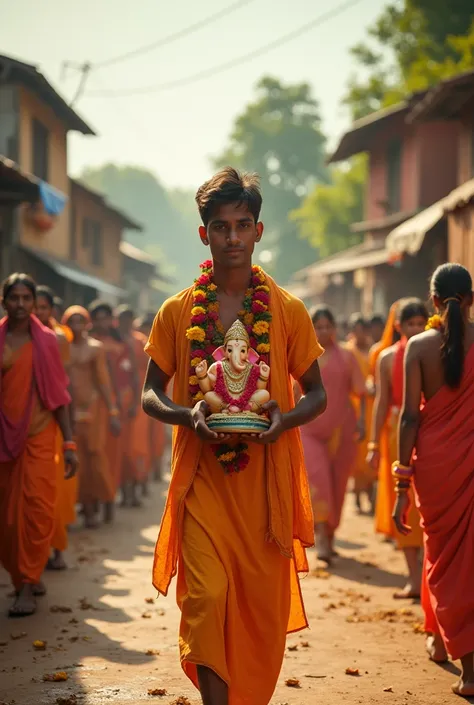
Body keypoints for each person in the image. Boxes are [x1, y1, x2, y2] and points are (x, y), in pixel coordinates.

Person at [142, 167, 327, 705]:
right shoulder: (177, 311)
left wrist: (283, 421)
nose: (232, 238)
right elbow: (151, 394)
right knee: (205, 601)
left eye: (242, 225)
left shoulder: (288, 310)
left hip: (263, 492)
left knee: (258, 621)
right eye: (220, 227)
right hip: (202, 486)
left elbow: (316, 393)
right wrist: (185, 416)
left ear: (258, 231)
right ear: (205, 234)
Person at [393, 263, 474, 696]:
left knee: (441, 562)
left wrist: (400, 486)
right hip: (469, 463)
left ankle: (457, 656)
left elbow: (409, 417)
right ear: (472, 300)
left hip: (434, 469)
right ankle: (456, 653)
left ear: (434, 301)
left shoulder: (418, 346)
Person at [0, 274, 77, 616]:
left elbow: (59, 395)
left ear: (34, 303)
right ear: (4, 301)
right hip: (3, 439)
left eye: (25, 299)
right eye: (13, 298)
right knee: (7, 521)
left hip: (41, 436)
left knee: (37, 511)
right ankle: (23, 576)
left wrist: (70, 442)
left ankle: (27, 584)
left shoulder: (47, 341)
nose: (19, 305)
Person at [367, 298, 428, 599]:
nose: (416, 328)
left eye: (421, 323)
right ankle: (413, 579)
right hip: (396, 434)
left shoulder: (435, 353)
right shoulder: (388, 358)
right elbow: (381, 402)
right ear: (399, 326)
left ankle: (429, 580)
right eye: (410, 323)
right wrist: (374, 443)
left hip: (429, 432)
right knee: (401, 502)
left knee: (427, 504)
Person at [299, 306, 365, 564]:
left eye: (328, 326)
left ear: (335, 329)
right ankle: (322, 540)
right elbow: (292, 393)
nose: (323, 331)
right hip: (308, 430)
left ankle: (331, 535)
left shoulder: (348, 357)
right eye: (319, 326)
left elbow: (360, 392)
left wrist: (361, 423)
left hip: (342, 431)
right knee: (320, 482)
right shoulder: (302, 355)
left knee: (338, 486)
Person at [63, 306, 120, 527]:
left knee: (95, 457)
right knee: (76, 461)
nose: (76, 324)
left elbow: (103, 381)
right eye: (72, 320)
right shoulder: (62, 347)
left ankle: (105, 500)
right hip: (69, 411)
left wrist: (112, 411)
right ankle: (82, 509)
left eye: (80, 320)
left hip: (93, 409)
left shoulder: (96, 348)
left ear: (87, 323)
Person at [36, 285, 75, 570]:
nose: (35, 311)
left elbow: (61, 383)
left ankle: (56, 549)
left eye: (41, 306)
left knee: (51, 492)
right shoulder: (7, 338)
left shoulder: (57, 339)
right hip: (16, 425)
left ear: (52, 311)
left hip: (49, 424)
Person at [89, 301, 137, 513]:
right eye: (97, 318)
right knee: (94, 451)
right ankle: (93, 500)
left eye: (105, 318)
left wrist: (134, 401)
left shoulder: (122, 345)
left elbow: (132, 376)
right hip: (91, 405)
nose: (101, 322)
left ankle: (109, 499)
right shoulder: (85, 342)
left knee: (114, 452)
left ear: (111, 320)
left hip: (116, 404)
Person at [345, 313, 374, 514]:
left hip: (371, 406)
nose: (361, 333)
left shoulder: (373, 350)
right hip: (352, 406)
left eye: (363, 329)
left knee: (370, 453)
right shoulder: (347, 352)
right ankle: (356, 496)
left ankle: (372, 497)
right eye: (357, 329)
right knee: (355, 457)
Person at [115, 305, 144, 505]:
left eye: (128, 319)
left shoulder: (139, 342)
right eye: (121, 319)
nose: (124, 323)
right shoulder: (113, 341)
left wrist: (136, 400)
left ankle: (134, 492)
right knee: (120, 450)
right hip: (115, 401)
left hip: (137, 397)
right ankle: (122, 494)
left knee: (136, 447)